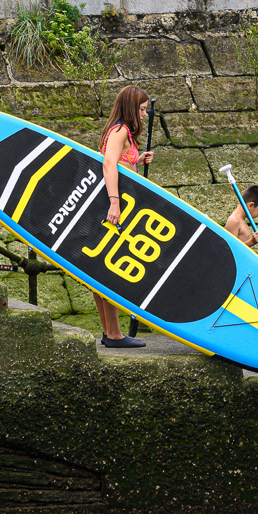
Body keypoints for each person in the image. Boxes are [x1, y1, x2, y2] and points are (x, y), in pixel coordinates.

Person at [96, 85, 155, 349]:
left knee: (101, 273)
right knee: (110, 272)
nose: (144, 114)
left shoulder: (124, 133)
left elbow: (120, 164)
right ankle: (115, 335)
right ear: (131, 108)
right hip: (114, 208)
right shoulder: (119, 130)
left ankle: (110, 333)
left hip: (118, 207)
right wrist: (114, 203)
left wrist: (137, 161)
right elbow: (108, 164)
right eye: (141, 110)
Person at [224, 184, 258, 249]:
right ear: (250, 205)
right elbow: (229, 249)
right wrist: (252, 241)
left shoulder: (242, 220)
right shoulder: (234, 221)